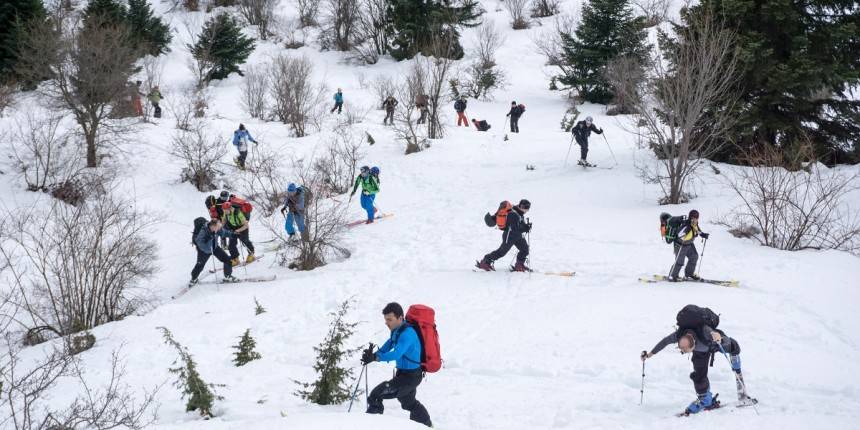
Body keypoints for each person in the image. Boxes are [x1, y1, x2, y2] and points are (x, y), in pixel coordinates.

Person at [642, 315, 751, 414]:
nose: (684, 352)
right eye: (682, 350)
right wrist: (649, 354)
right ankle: (705, 399)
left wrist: (718, 337)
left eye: (686, 350)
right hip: (701, 352)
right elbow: (664, 342)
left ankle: (738, 374)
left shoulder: (704, 331)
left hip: (713, 343)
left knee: (734, 347)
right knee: (699, 375)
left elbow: (714, 334)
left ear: (693, 344)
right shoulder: (679, 335)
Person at [361, 302, 432, 427]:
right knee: (408, 403)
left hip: (411, 377)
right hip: (403, 375)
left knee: (376, 394)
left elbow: (396, 354)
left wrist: (376, 358)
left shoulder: (408, 334)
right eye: (385, 320)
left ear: (400, 318)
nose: (386, 323)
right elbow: (386, 347)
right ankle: (426, 425)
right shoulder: (396, 331)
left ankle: (370, 426)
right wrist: (372, 356)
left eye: (390, 319)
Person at [476, 199, 532, 272]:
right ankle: (485, 262)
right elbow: (515, 228)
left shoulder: (518, 212)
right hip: (509, 236)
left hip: (517, 235)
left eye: (526, 208)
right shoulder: (513, 214)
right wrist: (525, 228)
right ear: (520, 206)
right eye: (524, 207)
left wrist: (526, 226)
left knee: (525, 249)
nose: (525, 210)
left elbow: (519, 223)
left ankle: (519, 265)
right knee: (501, 252)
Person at [190, 219, 237, 286]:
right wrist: (208, 249)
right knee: (200, 265)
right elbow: (199, 243)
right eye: (218, 227)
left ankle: (228, 276)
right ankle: (193, 279)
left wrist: (232, 234)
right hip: (204, 251)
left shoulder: (217, 229)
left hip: (215, 247)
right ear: (213, 226)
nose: (219, 228)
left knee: (227, 260)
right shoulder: (203, 231)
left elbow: (224, 232)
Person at [669, 209, 709, 281]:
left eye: (696, 218)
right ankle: (672, 276)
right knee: (679, 262)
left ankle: (689, 273)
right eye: (693, 217)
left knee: (694, 257)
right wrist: (686, 231)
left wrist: (703, 234)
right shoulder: (686, 224)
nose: (695, 219)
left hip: (689, 244)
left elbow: (697, 230)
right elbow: (679, 234)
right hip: (680, 245)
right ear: (690, 217)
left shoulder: (695, 224)